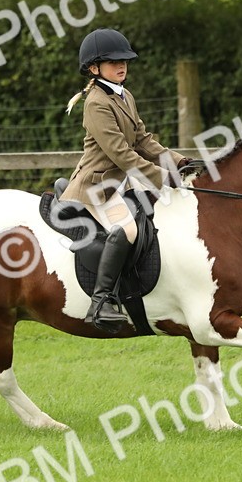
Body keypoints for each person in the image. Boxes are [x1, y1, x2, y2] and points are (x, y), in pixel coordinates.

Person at [60, 28, 193, 332]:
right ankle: (100, 302)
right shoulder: (96, 103)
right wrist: (163, 177)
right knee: (127, 229)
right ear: (94, 68)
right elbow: (122, 154)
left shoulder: (123, 94)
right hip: (97, 187)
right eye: (113, 62)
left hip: (121, 183)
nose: (121, 66)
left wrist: (178, 161)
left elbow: (143, 140)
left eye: (124, 61)